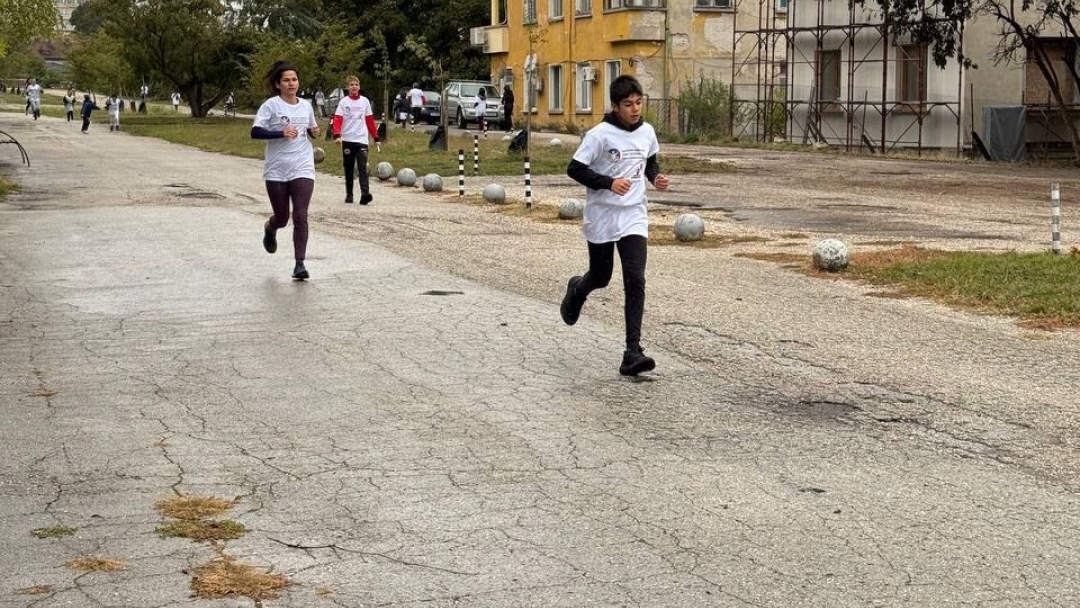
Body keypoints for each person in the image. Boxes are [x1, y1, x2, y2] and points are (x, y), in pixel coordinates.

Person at [559, 75, 670, 377]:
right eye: (628, 104)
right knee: (601, 275)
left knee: (635, 278)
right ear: (615, 106)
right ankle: (577, 289)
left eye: (638, 102)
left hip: (634, 214)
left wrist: (654, 177)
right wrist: (608, 182)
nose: (635, 109)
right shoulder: (599, 135)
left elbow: (650, 162)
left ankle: (632, 352)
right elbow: (575, 169)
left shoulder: (647, 131)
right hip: (603, 215)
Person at [250, 60, 321, 280]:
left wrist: (314, 131)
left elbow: (309, 129)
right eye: (286, 80)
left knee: (300, 215)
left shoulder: (306, 105)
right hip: (277, 169)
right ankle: (271, 228)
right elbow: (255, 132)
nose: (291, 84)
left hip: (302, 166)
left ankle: (299, 263)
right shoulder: (271, 106)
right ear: (278, 84)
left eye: (294, 79)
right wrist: (279, 133)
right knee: (282, 217)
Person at [332, 75, 380, 205]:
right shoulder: (344, 102)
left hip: (361, 140)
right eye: (351, 85)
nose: (354, 87)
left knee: (362, 167)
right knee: (348, 168)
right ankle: (349, 194)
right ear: (347, 87)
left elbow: (369, 120)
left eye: (356, 85)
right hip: (347, 139)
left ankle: (365, 194)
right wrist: (337, 135)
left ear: (359, 87)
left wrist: (375, 137)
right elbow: (337, 119)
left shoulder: (365, 102)